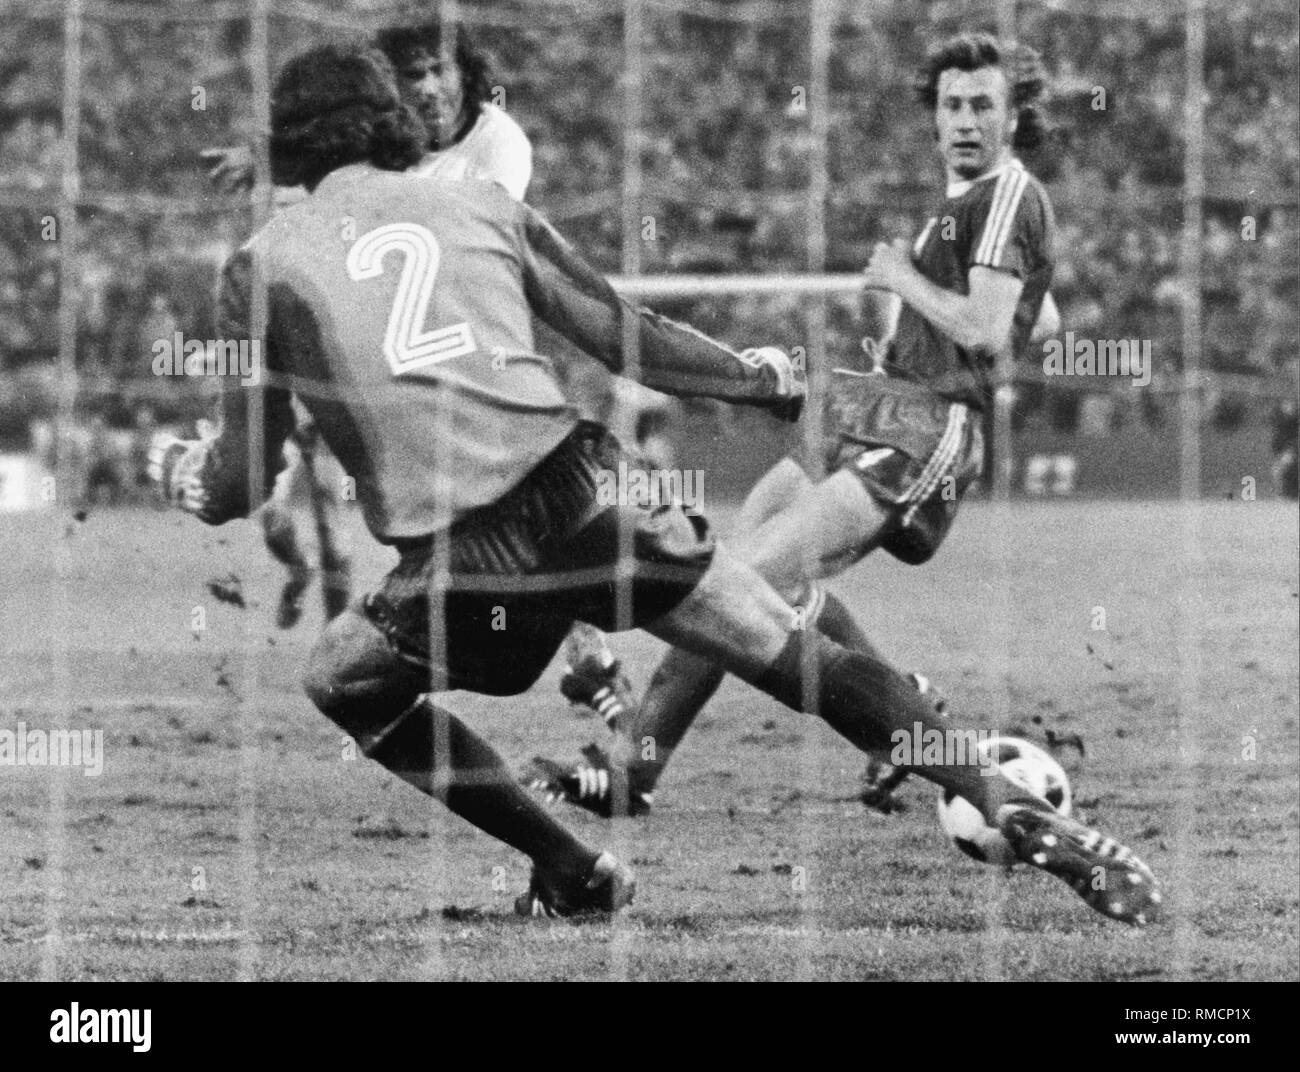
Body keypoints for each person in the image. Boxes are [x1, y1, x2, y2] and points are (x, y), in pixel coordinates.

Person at [151, 43, 1161, 925]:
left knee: (344, 676)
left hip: (463, 564)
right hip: (592, 489)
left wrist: (190, 480)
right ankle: (991, 788)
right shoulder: (478, 202)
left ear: (284, 145)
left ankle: (571, 865)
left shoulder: (259, 263)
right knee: (784, 644)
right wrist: (755, 377)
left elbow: (241, 482)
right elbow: (625, 336)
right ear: (388, 121)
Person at [527, 32, 1065, 819]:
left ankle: (634, 770)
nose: (963, 120)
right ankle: (903, 716)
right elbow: (1039, 317)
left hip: (920, 425)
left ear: (1015, 116)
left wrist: (903, 281)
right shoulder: (964, 204)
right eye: (951, 104)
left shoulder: (1010, 195)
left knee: (730, 589)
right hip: (871, 401)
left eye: (983, 104)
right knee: (735, 566)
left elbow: (988, 329)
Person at [203, 19, 533, 627]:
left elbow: (461, 241)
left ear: (467, 76)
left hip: (442, 350)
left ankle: (578, 646)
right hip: (345, 350)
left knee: (512, 502)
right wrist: (268, 157)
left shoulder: (498, 146)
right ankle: (329, 606)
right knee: (281, 508)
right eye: (413, 76)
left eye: (441, 71)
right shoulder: (362, 164)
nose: (430, 88)